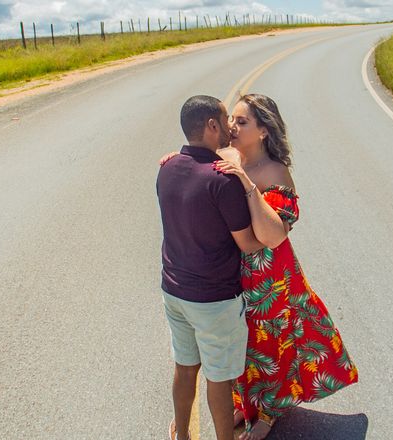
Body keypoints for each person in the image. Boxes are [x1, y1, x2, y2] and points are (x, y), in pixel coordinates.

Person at [164, 94, 359, 440]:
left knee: (273, 345)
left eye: (242, 122)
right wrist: (177, 161)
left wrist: (245, 181)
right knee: (247, 345)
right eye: (231, 120)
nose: (232, 127)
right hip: (234, 275)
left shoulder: (274, 171)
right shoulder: (225, 156)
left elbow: (272, 236)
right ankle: (248, 403)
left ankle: (268, 413)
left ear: (264, 131)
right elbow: (195, 166)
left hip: (272, 277)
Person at [157, 95, 265, 440]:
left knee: (185, 368)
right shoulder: (222, 180)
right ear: (211, 125)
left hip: (173, 291)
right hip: (214, 299)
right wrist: (276, 236)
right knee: (219, 378)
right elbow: (247, 242)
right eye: (224, 119)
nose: (230, 127)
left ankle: (183, 436)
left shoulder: (167, 168)